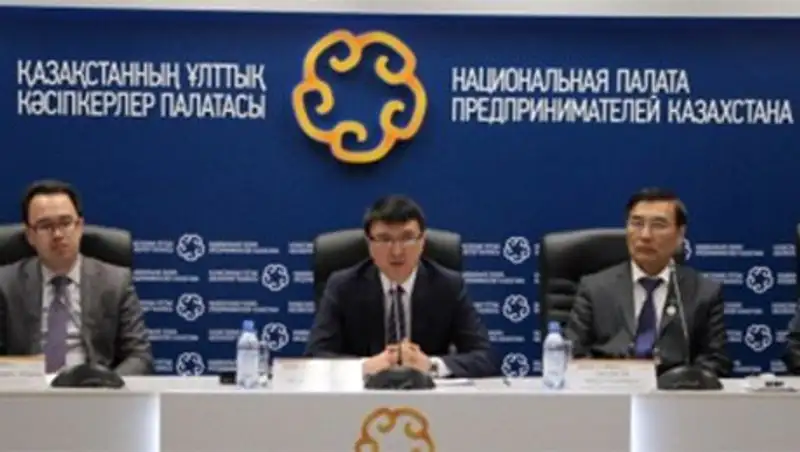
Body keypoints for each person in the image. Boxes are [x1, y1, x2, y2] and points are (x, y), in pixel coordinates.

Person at [305, 195, 495, 378]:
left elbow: (485, 356)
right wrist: (365, 366)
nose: (397, 252)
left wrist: (431, 365)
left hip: (427, 396)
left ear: (422, 241)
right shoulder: (342, 286)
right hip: (363, 395)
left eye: (407, 238)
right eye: (385, 239)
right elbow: (315, 356)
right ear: (369, 243)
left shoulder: (448, 286)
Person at [564, 187, 730, 377]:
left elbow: (716, 361)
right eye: (637, 223)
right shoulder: (595, 288)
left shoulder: (704, 292)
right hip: (610, 390)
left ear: (680, 235)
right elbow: (573, 355)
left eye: (658, 225)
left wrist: (679, 382)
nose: (645, 235)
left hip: (675, 393)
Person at [0, 180, 152, 375]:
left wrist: (108, 384)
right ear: (30, 235)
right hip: (29, 388)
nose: (57, 234)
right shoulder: (5, 284)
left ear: (79, 226)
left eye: (65, 223)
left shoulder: (115, 281)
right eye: (45, 226)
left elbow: (139, 355)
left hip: (94, 387)